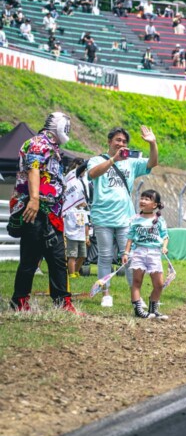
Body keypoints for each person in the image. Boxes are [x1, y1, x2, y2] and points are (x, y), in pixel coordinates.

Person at [8, 113, 81, 313]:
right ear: (58, 126)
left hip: (52, 212)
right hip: (35, 209)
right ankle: (19, 301)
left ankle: (62, 302)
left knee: (58, 259)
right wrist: (34, 199)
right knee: (30, 259)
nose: (68, 130)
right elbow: (33, 169)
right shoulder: (38, 143)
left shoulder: (53, 148)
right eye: (67, 126)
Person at [87, 125, 159, 308]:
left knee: (129, 257)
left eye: (124, 141)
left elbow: (152, 162)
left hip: (125, 218)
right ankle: (106, 294)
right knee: (104, 256)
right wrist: (113, 160)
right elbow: (92, 174)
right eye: (118, 140)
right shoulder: (96, 160)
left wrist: (153, 143)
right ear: (109, 141)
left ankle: (136, 296)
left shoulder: (131, 163)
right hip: (102, 216)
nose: (121, 143)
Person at [121, 190, 170, 320]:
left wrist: (164, 247)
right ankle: (138, 310)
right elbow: (130, 238)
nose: (142, 201)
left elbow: (165, 236)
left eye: (147, 199)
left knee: (159, 284)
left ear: (155, 205)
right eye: (142, 198)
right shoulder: (135, 219)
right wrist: (126, 253)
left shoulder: (159, 220)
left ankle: (153, 309)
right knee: (137, 282)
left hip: (154, 254)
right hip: (139, 253)